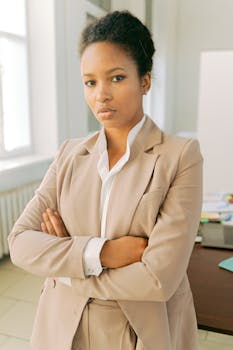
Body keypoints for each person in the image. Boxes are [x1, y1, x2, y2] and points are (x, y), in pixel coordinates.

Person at [8, 10, 203, 350]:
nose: (101, 95)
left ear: (144, 80)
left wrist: (65, 263)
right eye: (90, 82)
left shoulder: (180, 155)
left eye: (116, 78)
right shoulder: (69, 154)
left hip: (140, 329)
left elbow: (158, 279)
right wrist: (102, 253)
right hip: (63, 328)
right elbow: (21, 243)